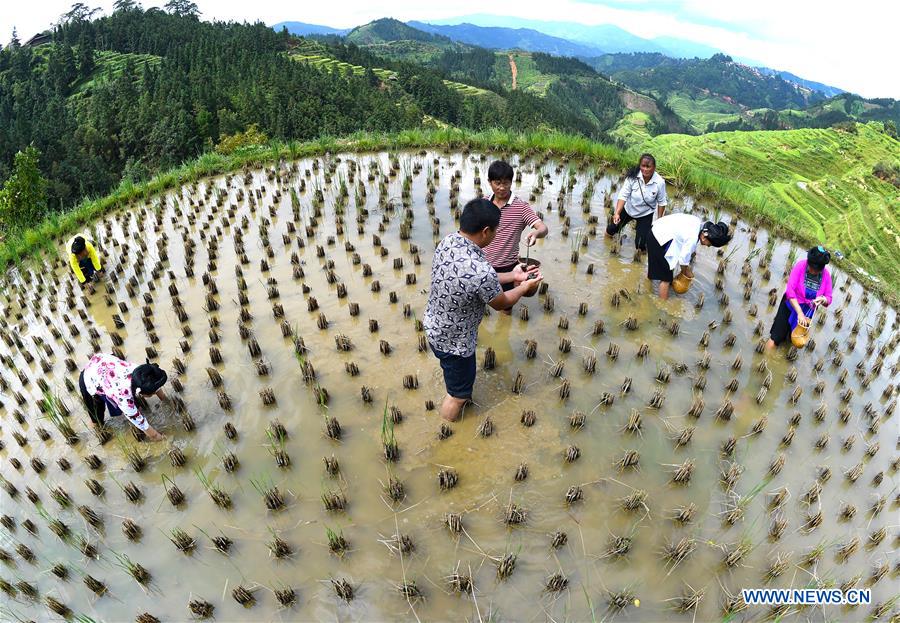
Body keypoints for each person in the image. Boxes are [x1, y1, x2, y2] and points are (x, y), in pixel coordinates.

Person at [425, 198, 543, 422]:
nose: (496, 235)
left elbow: (478, 279)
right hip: (455, 343)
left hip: (435, 328)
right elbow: (501, 302)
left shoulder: (449, 241)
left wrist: (513, 276)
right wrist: (524, 286)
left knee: (455, 378)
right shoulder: (480, 270)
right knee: (457, 396)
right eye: (496, 230)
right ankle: (446, 431)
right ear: (486, 231)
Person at [483, 160, 548, 313]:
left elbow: (543, 228)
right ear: (490, 182)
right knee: (480, 303)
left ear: (512, 182)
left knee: (506, 307)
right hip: (484, 265)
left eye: (506, 183)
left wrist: (536, 233)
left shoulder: (520, 207)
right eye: (497, 183)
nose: (501, 187)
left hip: (508, 267)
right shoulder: (484, 203)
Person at [79, 353, 168, 441]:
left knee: (138, 408)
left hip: (103, 363)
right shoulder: (124, 399)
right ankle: (94, 435)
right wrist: (165, 439)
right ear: (143, 393)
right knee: (97, 420)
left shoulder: (141, 372)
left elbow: (154, 384)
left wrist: (165, 400)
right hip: (89, 378)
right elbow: (153, 435)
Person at [646, 213, 731, 299]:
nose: (708, 246)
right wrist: (686, 272)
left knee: (659, 268)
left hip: (656, 231)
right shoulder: (693, 238)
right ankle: (662, 305)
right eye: (710, 244)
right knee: (666, 278)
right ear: (704, 237)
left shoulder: (698, 224)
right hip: (658, 238)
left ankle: (648, 286)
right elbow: (683, 259)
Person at [766, 246, 833, 350]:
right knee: (775, 338)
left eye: (817, 270)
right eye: (811, 268)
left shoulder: (826, 275)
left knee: (794, 340)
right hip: (790, 306)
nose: (813, 272)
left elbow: (829, 297)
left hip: (807, 313)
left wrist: (823, 299)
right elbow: (790, 291)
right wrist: (799, 313)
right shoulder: (801, 266)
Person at [607, 153, 667, 252]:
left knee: (640, 245)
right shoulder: (632, 177)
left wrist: (659, 221)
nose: (645, 169)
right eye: (643, 166)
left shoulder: (660, 182)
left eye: (648, 166)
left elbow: (661, 202)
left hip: (645, 214)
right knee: (611, 229)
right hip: (628, 209)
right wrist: (617, 213)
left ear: (654, 167)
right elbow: (623, 195)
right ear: (640, 166)